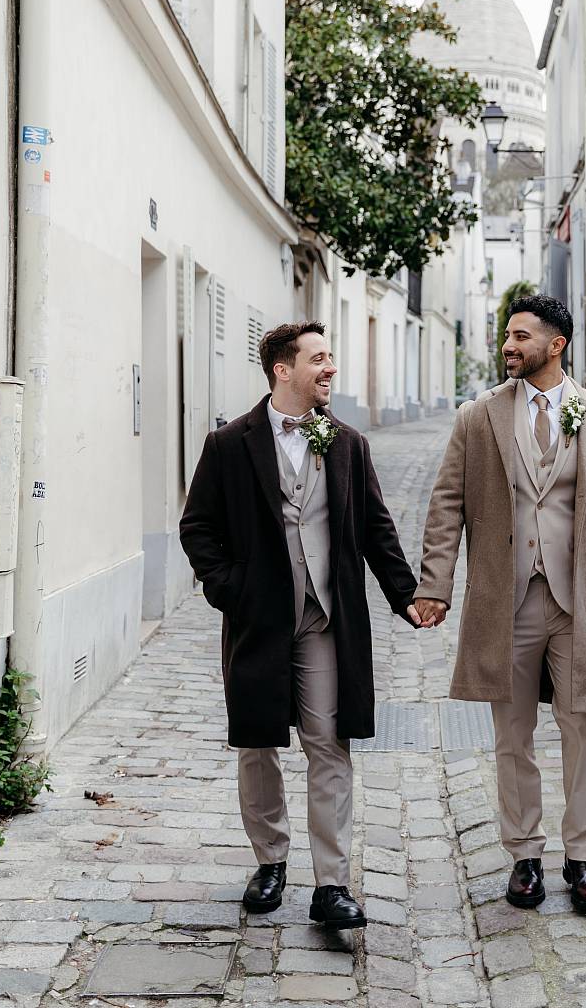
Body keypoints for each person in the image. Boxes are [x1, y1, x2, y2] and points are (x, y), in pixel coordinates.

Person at [180, 320, 420, 929]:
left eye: (331, 357)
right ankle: (270, 861)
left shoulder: (346, 444)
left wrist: (407, 596)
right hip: (258, 619)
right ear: (283, 370)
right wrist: (228, 588)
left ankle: (332, 884)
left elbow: (375, 529)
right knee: (258, 741)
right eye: (320, 359)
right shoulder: (230, 445)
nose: (330, 369)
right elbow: (198, 528)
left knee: (328, 741)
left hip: (323, 617)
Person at [413, 295, 586, 915]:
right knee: (512, 735)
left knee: (582, 726)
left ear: (556, 344)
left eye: (521, 336)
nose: (508, 345)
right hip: (503, 601)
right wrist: (434, 585)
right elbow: (446, 507)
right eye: (506, 335)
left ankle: (582, 855)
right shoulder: (477, 418)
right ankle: (525, 857)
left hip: (579, 603)